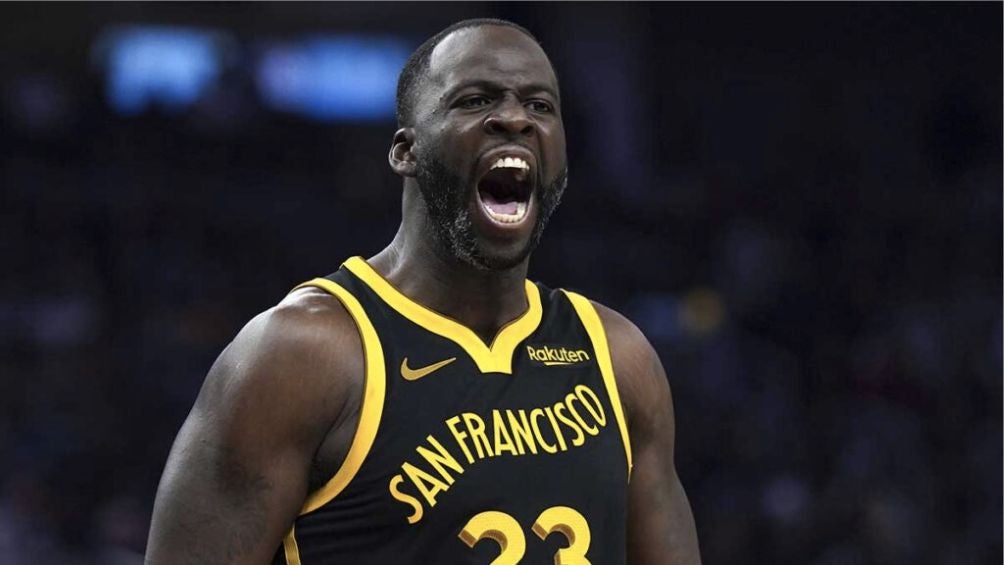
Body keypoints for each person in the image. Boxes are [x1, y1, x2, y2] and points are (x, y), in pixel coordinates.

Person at [145, 18, 701, 565]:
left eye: (540, 105)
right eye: (476, 100)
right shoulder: (302, 355)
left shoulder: (618, 358)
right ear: (405, 151)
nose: (515, 118)